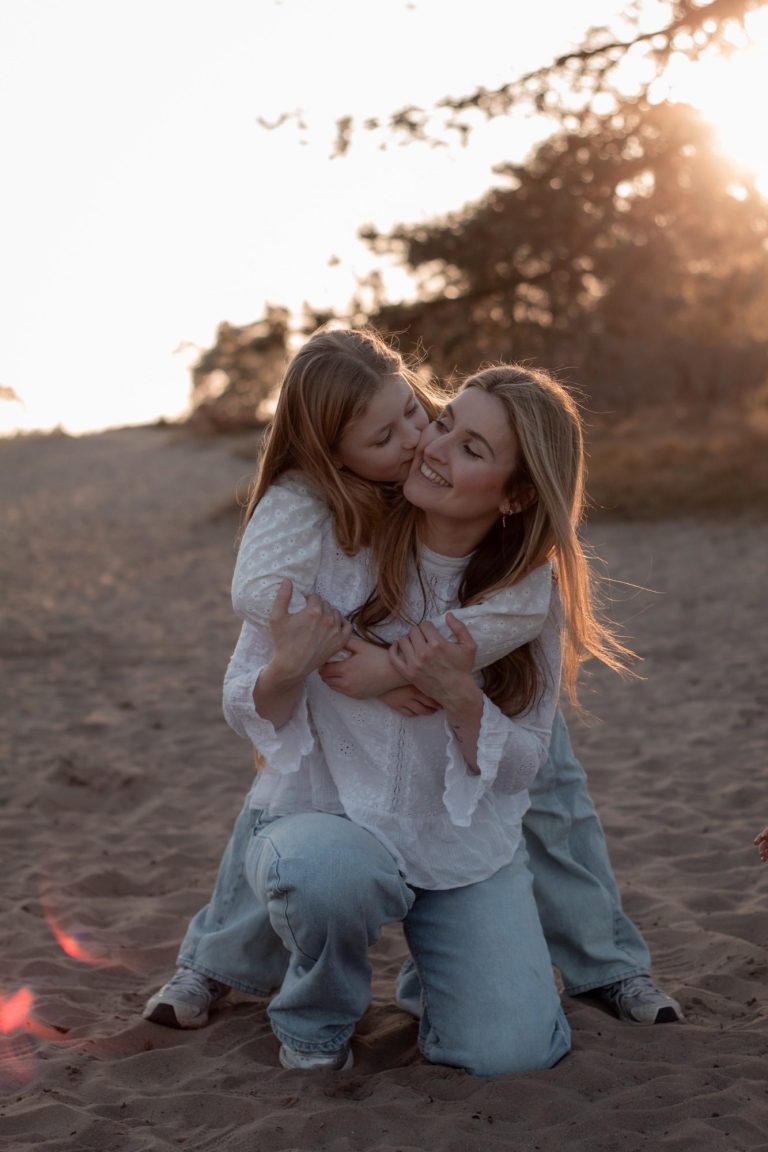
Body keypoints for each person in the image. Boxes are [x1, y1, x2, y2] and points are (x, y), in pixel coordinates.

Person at [143, 328, 680, 1062]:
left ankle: (599, 964)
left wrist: (408, 675)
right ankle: (215, 962)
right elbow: (266, 681)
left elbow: (519, 730)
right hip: (342, 788)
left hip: (467, 765)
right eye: (440, 420)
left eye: (437, 426)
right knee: (300, 791)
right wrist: (348, 652)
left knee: (542, 774)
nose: (424, 441)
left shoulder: (518, 579)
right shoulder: (344, 516)